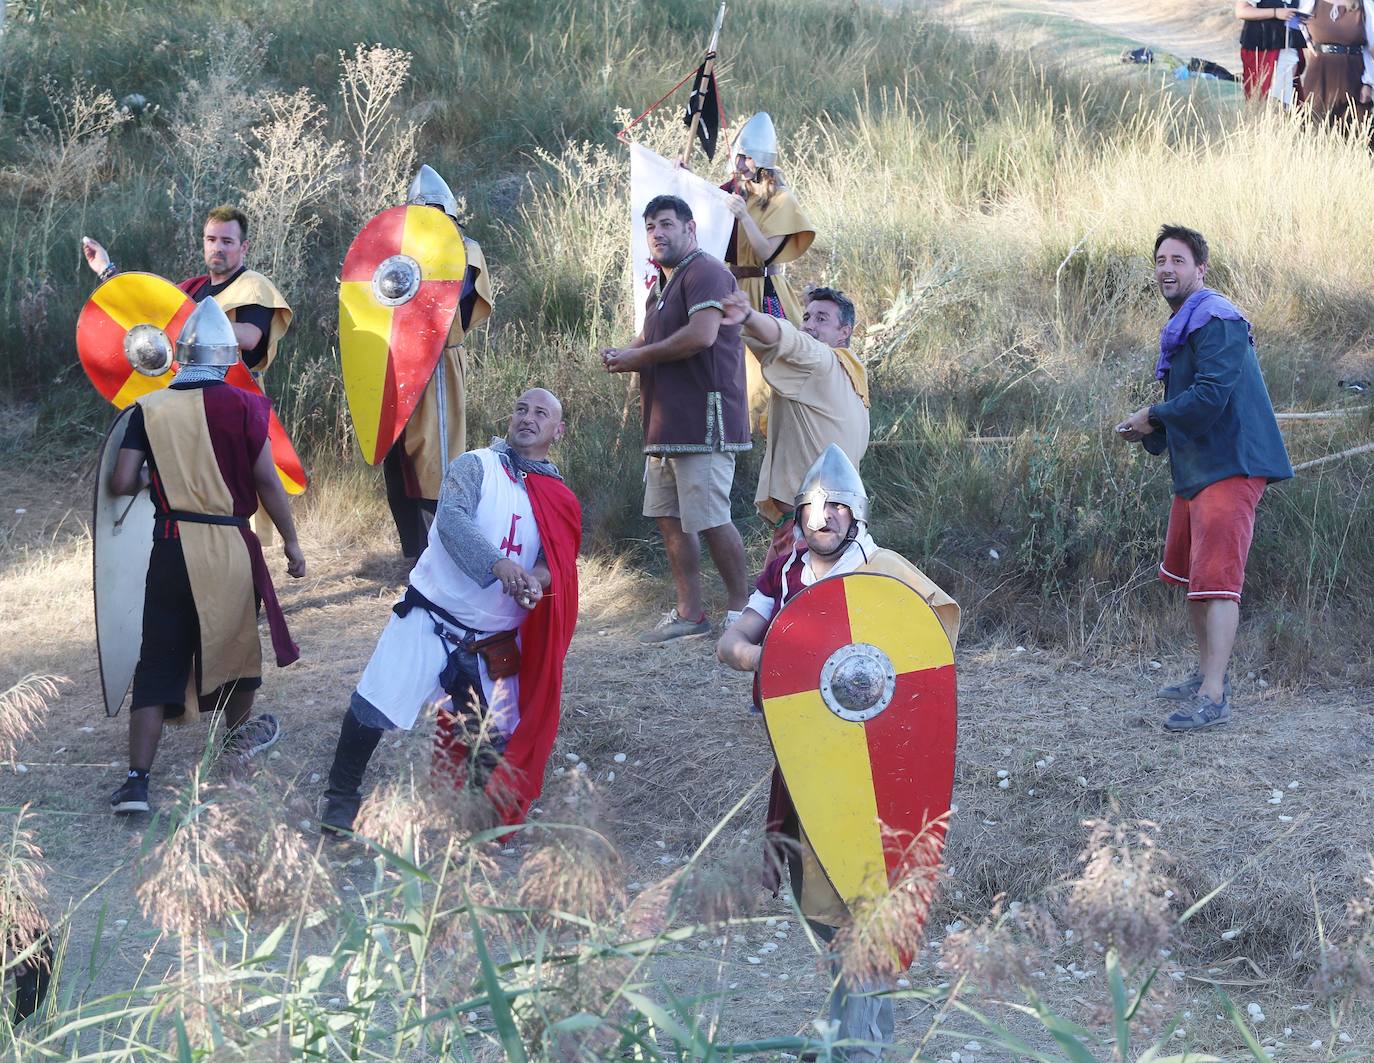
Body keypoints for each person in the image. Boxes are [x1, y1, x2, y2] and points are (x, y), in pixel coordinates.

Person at [715, 445, 959, 1061]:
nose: (823, 517)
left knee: (871, 902)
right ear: (797, 516)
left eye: (836, 507)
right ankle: (840, 1031)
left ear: (857, 513)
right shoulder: (786, 573)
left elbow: (937, 637)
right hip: (810, 763)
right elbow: (731, 642)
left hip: (878, 766)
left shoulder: (886, 570)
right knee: (822, 909)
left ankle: (862, 1048)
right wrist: (773, 657)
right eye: (812, 507)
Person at [320, 388, 581, 834]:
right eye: (521, 408)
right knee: (373, 707)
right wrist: (497, 565)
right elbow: (452, 520)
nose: (527, 418)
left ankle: (476, 824)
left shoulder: (558, 497)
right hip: (430, 617)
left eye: (541, 413)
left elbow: (555, 562)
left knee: (492, 738)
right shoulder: (476, 465)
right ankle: (340, 800)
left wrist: (533, 581)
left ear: (557, 431)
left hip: (493, 638)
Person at [107, 298, 306, 814]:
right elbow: (266, 480)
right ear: (224, 359)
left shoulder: (147, 409)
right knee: (236, 650)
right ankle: (234, 747)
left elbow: (122, 481)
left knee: (158, 660)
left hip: (171, 545)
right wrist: (291, 541)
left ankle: (135, 783)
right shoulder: (244, 406)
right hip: (229, 547)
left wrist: (158, 476)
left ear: (181, 356)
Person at [1116, 224, 1292, 732]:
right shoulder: (1186, 325)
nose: (1166, 268)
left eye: (1177, 260)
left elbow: (1212, 395)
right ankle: (1206, 675)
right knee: (1196, 580)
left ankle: (1214, 695)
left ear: (1200, 269)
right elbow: (1190, 405)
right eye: (1160, 260)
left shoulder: (1218, 318)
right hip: (1200, 469)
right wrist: (1151, 427)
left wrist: (1153, 413)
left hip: (1231, 464)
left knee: (1217, 585)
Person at [602, 194, 752, 643]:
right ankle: (691, 614)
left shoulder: (706, 271)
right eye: (650, 227)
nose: (657, 233)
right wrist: (625, 353)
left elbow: (702, 336)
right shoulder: (661, 286)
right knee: (669, 519)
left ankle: (742, 614)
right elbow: (651, 337)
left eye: (666, 224)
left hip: (705, 423)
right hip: (667, 426)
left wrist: (638, 356)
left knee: (709, 518)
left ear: (690, 229)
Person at [383, 165, 496, 559]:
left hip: (438, 365)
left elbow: (446, 304)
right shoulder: (396, 256)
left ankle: (445, 554)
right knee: (399, 462)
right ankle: (413, 554)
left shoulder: (464, 249)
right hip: (397, 364)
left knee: (436, 462)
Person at [719, 285, 870, 561]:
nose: (810, 325)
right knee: (772, 598)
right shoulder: (851, 372)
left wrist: (748, 317)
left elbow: (788, 340)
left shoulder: (822, 360)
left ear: (844, 332)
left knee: (789, 601)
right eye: (807, 317)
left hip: (813, 530)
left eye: (822, 319)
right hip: (822, 524)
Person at [81, 205, 292, 378]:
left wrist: (189, 321)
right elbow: (149, 313)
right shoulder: (193, 288)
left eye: (227, 241)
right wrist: (106, 269)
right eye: (211, 239)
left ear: (243, 247)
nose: (217, 247)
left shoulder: (253, 285)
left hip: (231, 400)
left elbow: (249, 337)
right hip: (184, 394)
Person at [721, 112, 816, 425]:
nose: (739, 163)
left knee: (767, 365)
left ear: (761, 159)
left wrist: (744, 217)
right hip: (731, 289)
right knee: (728, 366)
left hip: (764, 291)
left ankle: (769, 429)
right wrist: (682, 174)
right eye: (737, 156)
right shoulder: (733, 190)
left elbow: (766, 252)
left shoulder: (780, 199)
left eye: (746, 157)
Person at [1297, 0, 1374, 125]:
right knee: (1315, 127)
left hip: (1354, 76)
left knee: (1353, 130)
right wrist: (1307, 40)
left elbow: (1371, 48)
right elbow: (1297, 22)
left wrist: (1369, 83)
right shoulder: (1310, 2)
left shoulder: (1365, 4)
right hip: (1319, 75)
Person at [1236, 1, 1308, 101]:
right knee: (1263, 99)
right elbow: (1241, 11)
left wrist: (1299, 17)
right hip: (1261, 48)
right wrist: (1275, 13)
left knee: (1285, 97)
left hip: (1289, 47)